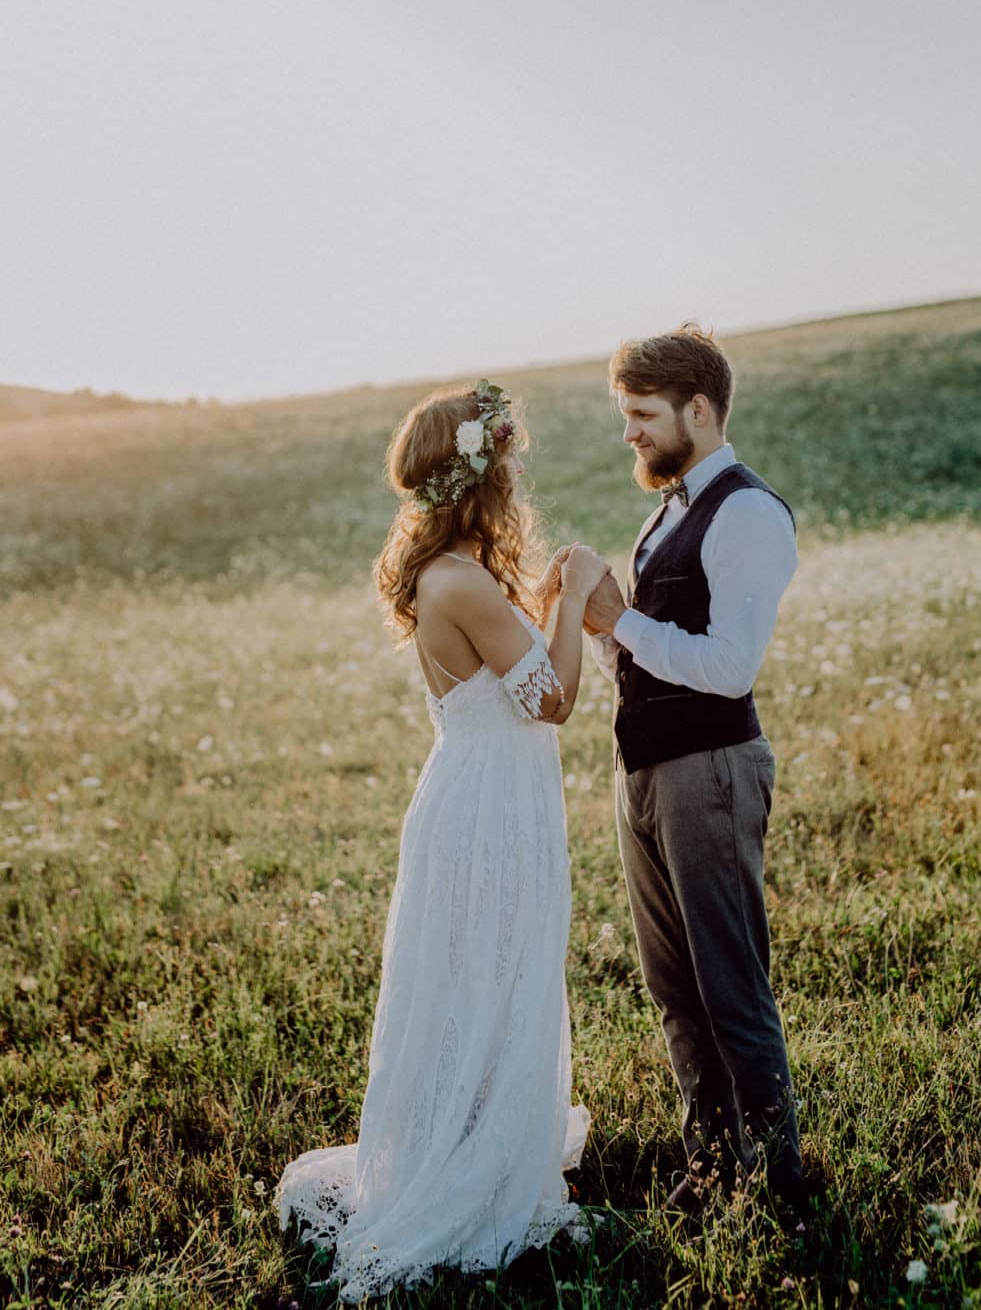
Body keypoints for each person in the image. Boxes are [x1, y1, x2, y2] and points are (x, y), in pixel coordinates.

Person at [275, 379, 607, 1301]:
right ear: (479, 475)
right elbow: (554, 700)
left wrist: (544, 610)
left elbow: (519, 677)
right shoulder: (459, 580)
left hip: (482, 790)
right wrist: (575, 592)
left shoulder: (453, 574)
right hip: (490, 804)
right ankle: (473, 1167)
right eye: (504, 461)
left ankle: (476, 1133)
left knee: (483, 969)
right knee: (490, 970)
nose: (513, 476)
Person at [581, 324, 806, 1215]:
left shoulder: (747, 511)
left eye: (642, 414)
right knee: (675, 990)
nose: (630, 433)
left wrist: (622, 621)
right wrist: (602, 627)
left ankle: (778, 1186)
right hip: (645, 771)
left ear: (700, 410)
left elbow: (728, 665)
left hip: (710, 772)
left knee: (729, 989)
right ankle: (710, 1174)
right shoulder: (667, 508)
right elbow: (647, 653)